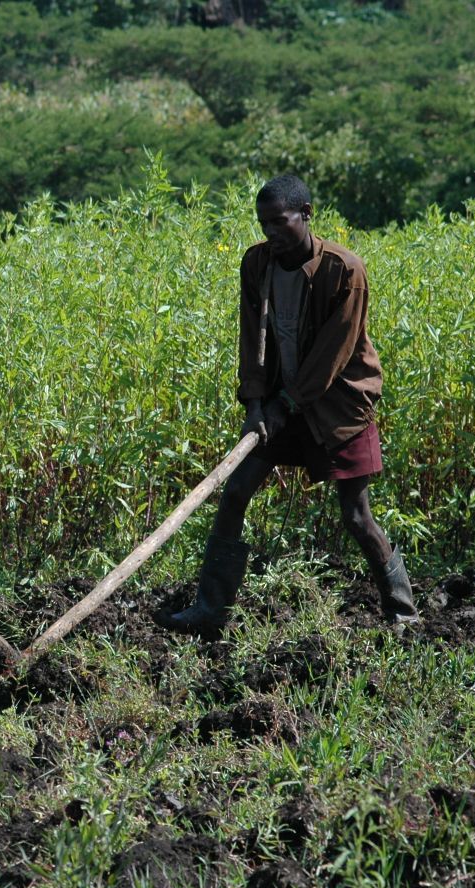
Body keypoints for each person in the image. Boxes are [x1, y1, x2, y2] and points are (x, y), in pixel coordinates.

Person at [157, 174, 419, 636]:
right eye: (264, 224)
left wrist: (287, 402)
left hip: (337, 407)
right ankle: (208, 609)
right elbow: (252, 338)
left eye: (279, 222)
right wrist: (255, 404)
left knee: (357, 516)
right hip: (277, 404)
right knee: (236, 492)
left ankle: (403, 612)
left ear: (306, 215)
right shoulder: (256, 263)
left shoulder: (345, 270)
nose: (271, 233)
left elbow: (334, 353)